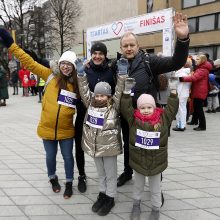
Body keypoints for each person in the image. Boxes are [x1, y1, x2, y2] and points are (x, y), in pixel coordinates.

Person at [0, 28, 78, 199]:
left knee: (67, 157)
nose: (65, 67)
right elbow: (29, 62)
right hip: (47, 128)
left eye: (69, 64)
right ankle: (53, 178)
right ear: (59, 64)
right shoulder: (49, 75)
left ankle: (70, 182)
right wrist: (11, 45)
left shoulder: (77, 84)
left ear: (73, 67)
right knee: (50, 157)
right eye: (63, 63)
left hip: (66, 131)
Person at [116, 12, 190, 187]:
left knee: (152, 148)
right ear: (121, 48)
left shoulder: (151, 62)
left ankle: (156, 183)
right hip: (128, 116)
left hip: (150, 117)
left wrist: (182, 39)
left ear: (138, 45)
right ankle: (128, 172)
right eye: (125, 45)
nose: (128, 48)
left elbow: (176, 62)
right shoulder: (117, 64)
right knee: (129, 145)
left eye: (131, 45)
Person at [120, 78, 179, 220]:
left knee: (155, 189)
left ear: (154, 107)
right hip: (138, 161)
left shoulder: (163, 119)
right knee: (138, 186)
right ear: (138, 108)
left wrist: (173, 91)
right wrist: (127, 91)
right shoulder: (134, 119)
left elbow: (172, 108)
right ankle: (136, 205)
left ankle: (155, 209)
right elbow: (125, 108)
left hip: (156, 163)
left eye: (149, 107)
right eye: (142, 108)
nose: (146, 110)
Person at [75, 57, 127, 216]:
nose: (99, 98)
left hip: (109, 149)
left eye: (103, 96)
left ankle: (110, 197)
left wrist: (123, 74)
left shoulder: (114, 106)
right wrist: (81, 73)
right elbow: (84, 90)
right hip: (95, 147)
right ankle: (102, 194)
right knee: (101, 174)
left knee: (111, 174)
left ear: (109, 97)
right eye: (97, 95)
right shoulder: (90, 103)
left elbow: (119, 90)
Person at [75, 41, 116, 193]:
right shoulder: (86, 69)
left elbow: (115, 92)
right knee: (80, 145)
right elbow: (83, 89)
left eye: (101, 54)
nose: (97, 56)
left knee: (102, 148)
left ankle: (110, 182)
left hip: (105, 118)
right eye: (95, 53)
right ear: (91, 54)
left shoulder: (111, 70)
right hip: (85, 113)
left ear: (105, 55)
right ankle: (81, 175)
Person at [179, 54, 212, 131]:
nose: (196, 60)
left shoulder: (202, 70)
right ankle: (194, 121)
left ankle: (202, 126)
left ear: (202, 60)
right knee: (195, 106)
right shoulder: (201, 68)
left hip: (200, 91)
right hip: (199, 90)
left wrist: (182, 79)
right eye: (196, 59)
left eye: (198, 59)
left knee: (198, 108)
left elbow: (194, 78)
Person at [172, 58, 192, 131]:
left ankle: (180, 126)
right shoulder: (187, 73)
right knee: (183, 109)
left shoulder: (181, 73)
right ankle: (182, 124)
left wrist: (176, 95)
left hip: (180, 94)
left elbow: (179, 86)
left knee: (180, 110)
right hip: (185, 93)